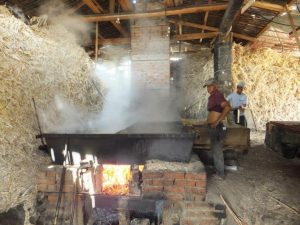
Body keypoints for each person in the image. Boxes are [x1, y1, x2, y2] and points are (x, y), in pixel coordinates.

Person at [203, 78, 231, 178]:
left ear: (214, 86)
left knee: (217, 150)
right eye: (207, 87)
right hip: (212, 126)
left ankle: (220, 174)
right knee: (215, 150)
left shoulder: (217, 95)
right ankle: (218, 171)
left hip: (216, 127)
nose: (208, 89)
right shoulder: (213, 96)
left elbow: (227, 107)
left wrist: (217, 121)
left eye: (209, 86)